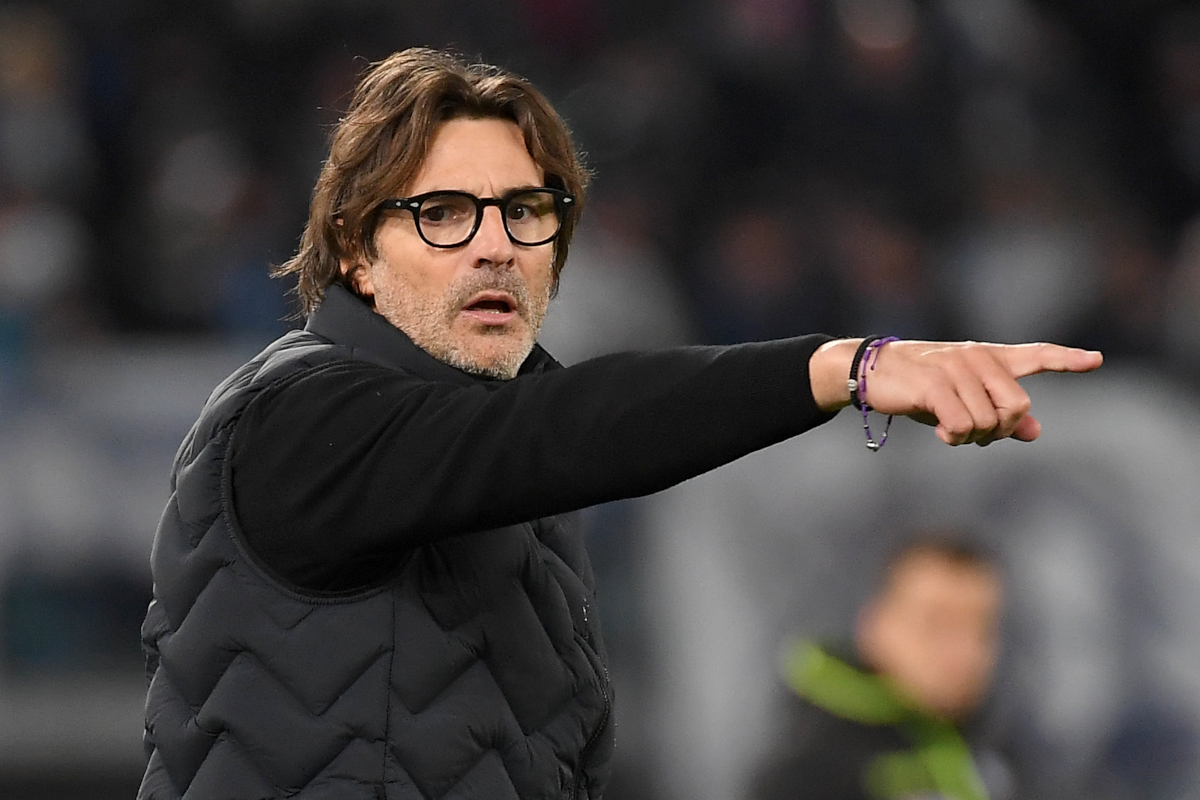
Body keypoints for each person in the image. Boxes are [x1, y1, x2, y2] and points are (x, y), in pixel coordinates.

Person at [137, 47, 1101, 800]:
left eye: (526, 212)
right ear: (355, 250)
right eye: (444, 213)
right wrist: (838, 367)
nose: (495, 246)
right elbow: (561, 431)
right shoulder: (294, 419)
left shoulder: (526, 491)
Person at [750, 538, 1013, 800]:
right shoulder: (812, 771)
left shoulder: (1004, 753)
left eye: (980, 627)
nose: (961, 650)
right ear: (876, 622)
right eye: (935, 624)